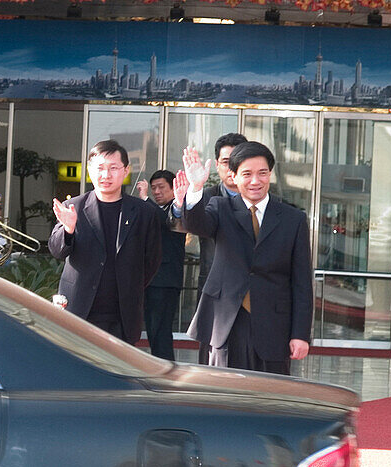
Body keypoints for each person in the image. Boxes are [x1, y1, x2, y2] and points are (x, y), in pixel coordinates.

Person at [175, 141, 313, 375]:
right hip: (225, 322)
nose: (255, 181)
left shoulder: (293, 219)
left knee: (270, 398)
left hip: (273, 324)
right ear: (234, 176)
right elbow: (197, 224)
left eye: (262, 173)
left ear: (270, 174)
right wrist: (196, 188)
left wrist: (300, 334)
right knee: (223, 397)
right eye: (247, 174)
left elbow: (301, 282)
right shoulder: (220, 207)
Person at [48, 139, 164, 343]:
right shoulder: (73, 207)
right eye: (99, 168)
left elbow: (152, 261)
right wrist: (69, 229)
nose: (105, 175)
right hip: (79, 311)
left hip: (122, 316)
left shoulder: (144, 213)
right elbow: (56, 251)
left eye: (113, 168)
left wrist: (131, 285)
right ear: (89, 170)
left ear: (126, 170)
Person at [170, 132, 245, 363]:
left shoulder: (263, 200)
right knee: (212, 359)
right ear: (217, 166)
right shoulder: (203, 195)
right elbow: (180, 226)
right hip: (215, 293)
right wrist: (181, 202)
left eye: (237, 160)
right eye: (225, 162)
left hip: (254, 293)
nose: (231, 168)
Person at [136, 169, 185, 360]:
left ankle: (165, 366)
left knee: (160, 330)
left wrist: (144, 199)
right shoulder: (157, 210)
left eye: (161, 187)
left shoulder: (178, 208)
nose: (156, 192)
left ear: (174, 189)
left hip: (165, 280)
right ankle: (160, 364)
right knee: (153, 329)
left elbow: (167, 221)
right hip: (152, 279)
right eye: (154, 188)